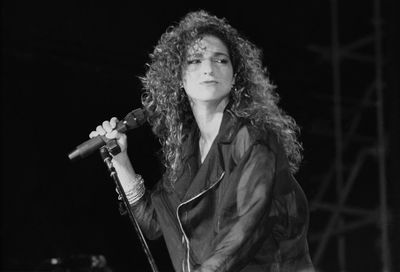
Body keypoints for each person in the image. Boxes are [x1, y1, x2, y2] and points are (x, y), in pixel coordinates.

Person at [89, 10, 315, 272]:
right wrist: (121, 160)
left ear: (234, 76)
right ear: (180, 79)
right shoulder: (187, 152)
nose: (208, 69)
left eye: (220, 60)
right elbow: (153, 223)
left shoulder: (253, 139)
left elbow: (246, 228)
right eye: (195, 61)